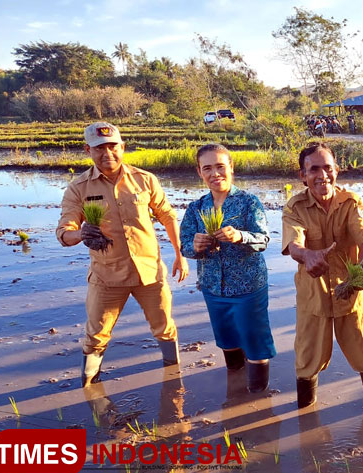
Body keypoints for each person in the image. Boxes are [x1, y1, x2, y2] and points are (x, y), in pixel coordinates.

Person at [56, 122, 189, 387]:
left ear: (122, 147)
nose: (108, 154)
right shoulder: (78, 188)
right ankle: (89, 385)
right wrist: (81, 234)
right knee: (96, 334)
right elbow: (64, 231)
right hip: (107, 276)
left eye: (112, 146)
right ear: (88, 150)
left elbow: (168, 216)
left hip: (149, 273)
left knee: (164, 327)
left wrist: (179, 253)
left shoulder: (145, 180)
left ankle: (173, 376)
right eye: (99, 148)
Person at [282, 142, 363, 409]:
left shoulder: (351, 202)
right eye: (313, 169)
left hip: (349, 294)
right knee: (306, 360)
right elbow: (294, 244)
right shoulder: (294, 207)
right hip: (312, 297)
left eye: (328, 168)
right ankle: (305, 414)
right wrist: (308, 256)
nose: (322, 175)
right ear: (302, 175)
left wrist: (361, 267)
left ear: (337, 170)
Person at [179, 144, 275, 392]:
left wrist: (240, 236)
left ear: (231, 168)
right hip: (213, 288)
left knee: (254, 343)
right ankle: (235, 394)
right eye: (207, 168)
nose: (215, 174)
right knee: (227, 341)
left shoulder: (248, 202)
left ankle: (257, 399)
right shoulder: (196, 208)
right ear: (199, 172)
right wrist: (195, 245)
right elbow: (185, 246)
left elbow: (263, 240)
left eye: (220, 166)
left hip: (247, 288)